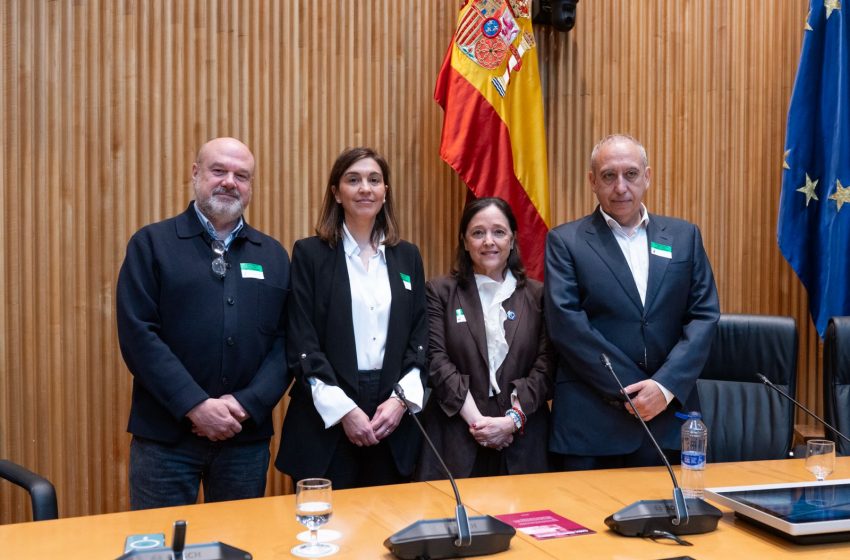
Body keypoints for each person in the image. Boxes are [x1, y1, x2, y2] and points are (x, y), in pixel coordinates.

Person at [116, 137, 290, 509]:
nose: (229, 182)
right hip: (165, 439)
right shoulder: (151, 244)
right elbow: (138, 335)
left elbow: (286, 342)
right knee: (160, 538)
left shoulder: (273, 255)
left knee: (239, 539)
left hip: (244, 439)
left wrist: (245, 404)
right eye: (218, 171)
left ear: (251, 186)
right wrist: (195, 405)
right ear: (195, 174)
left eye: (241, 175)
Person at [545, 134, 720, 470]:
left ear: (647, 177)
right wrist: (635, 390)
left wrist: (664, 386)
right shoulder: (565, 241)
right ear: (592, 182)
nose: (621, 187)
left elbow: (704, 316)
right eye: (608, 176)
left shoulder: (685, 237)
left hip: (667, 420)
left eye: (631, 174)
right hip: (592, 424)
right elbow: (567, 326)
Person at [275, 147, 427, 489]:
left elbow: (420, 336)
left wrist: (400, 401)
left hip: (391, 417)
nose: (365, 189)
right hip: (326, 417)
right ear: (336, 192)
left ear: (385, 192)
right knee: (327, 521)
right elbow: (302, 340)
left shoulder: (407, 256)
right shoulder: (310, 254)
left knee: (388, 519)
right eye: (353, 180)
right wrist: (344, 410)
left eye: (374, 180)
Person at [416, 197, 553, 481]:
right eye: (478, 233)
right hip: (455, 439)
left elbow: (546, 365)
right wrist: (479, 423)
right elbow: (436, 361)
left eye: (498, 232)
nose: (488, 241)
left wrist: (512, 421)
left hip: (523, 442)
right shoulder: (440, 292)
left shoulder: (538, 295)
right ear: (465, 242)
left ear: (512, 240)